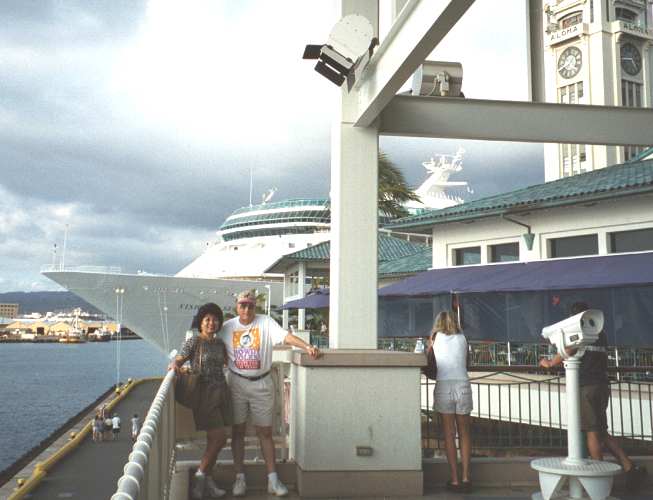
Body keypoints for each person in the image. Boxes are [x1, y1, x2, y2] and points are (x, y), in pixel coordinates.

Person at [539, 302, 647, 493]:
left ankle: (600, 481)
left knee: (591, 431)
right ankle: (629, 466)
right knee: (602, 431)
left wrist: (549, 363)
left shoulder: (578, 331)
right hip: (601, 385)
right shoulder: (599, 332)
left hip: (586, 387)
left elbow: (568, 351)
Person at [220, 290, 320, 497]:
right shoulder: (227, 327)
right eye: (242, 305)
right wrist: (180, 362)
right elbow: (207, 342)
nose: (246, 309)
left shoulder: (266, 322)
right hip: (236, 384)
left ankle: (272, 479)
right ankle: (240, 478)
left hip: (262, 384)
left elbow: (287, 337)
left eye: (250, 305)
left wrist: (307, 346)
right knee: (237, 432)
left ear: (254, 306)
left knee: (265, 433)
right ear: (236, 306)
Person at [169, 302, 232, 499]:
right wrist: (176, 366)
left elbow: (227, 364)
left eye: (215, 320)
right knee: (219, 437)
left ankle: (207, 480)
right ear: (201, 322)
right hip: (204, 395)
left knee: (219, 439)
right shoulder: (194, 342)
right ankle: (201, 477)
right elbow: (178, 360)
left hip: (221, 392)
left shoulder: (220, 344)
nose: (211, 323)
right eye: (207, 320)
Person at [429, 310, 473, 493]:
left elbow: (430, 358)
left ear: (438, 323)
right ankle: (466, 477)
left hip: (444, 385)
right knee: (464, 433)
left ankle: (454, 479)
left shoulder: (434, 337)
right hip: (462, 384)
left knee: (449, 434)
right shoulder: (463, 338)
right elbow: (467, 362)